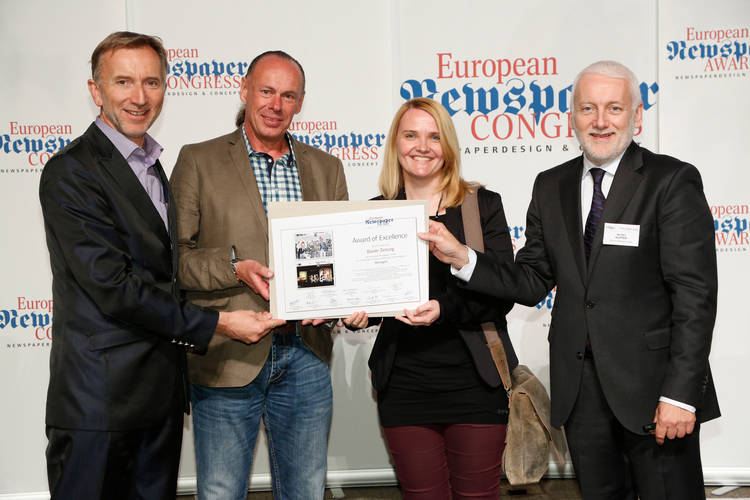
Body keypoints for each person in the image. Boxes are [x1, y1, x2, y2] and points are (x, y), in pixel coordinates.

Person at [420, 61, 719, 499]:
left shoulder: (671, 180)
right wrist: (463, 258)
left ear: (636, 116)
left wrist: (680, 394)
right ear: (572, 117)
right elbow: (532, 279)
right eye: (587, 108)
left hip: (655, 391)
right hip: (581, 394)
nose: (600, 121)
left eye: (614, 108)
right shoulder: (551, 185)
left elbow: (695, 296)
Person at [39, 31, 284, 500]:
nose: (139, 97)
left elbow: (166, 274)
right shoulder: (72, 171)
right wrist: (219, 323)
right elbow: (114, 287)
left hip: (159, 402)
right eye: (123, 82)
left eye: (151, 82)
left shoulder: (151, 165)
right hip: (99, 406)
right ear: (95, 90)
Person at [170, 50, 348, 500]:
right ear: (245, 90)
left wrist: (339, 301)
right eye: (266, 91)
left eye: (288, 95)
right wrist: (234, 269)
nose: (276, 104)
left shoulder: (327, 168)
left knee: (306, 492)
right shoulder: (198, 160)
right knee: (220, 492)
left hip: (306, 354)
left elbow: (339, 260)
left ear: (301, 102)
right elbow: (176, 259)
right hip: (228, 356)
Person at [344, 97, 517, 499]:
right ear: (396, 144)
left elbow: (504, 291)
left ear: (448, 145)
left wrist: (443, 309)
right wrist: (356, 314)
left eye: (434, 136)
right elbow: (373, 295)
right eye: (411, 135)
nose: (422, 146)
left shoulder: (481, 206)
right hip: (404, 388)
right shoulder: (374, 213)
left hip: (476, 386)